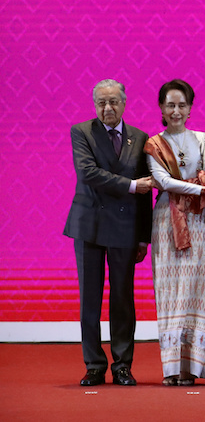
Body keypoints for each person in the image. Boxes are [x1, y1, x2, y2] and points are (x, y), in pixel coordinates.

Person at [145, 79, 205, 386]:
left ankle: (196, 367)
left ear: (190, 108)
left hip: (200, 220)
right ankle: (173, 368)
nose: (176, 111)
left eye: (182, 105)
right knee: (171, 291)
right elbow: (163, 182)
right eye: (170, 105)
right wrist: (201, 188)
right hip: (167, 221)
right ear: (161, 108)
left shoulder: (202, 139)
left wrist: (203, 187)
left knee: (199, 289)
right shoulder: (153, 144)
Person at [65, 79, 154, 387]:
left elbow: (146, 192)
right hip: (89, 226)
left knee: (122, 298)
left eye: (113, 101)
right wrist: (131, 185)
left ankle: (122, 365)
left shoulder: (140, 138)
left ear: (124, 104)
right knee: (90, 299)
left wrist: (144, 236)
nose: (107, 108)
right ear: (95, 105)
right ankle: (93, 365)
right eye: (101, 102)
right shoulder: (82, 132)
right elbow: (88, 173)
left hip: (126, 228)